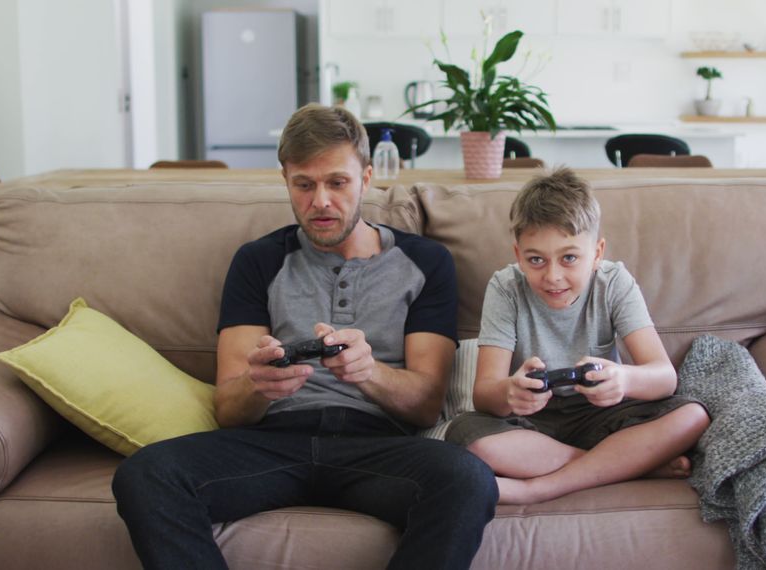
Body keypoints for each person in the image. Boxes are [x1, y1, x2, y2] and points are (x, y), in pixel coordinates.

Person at [112, 104, 498, 569]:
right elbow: (228, 409)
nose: (320, 202)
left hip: (376, 446)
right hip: (274, 441)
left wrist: (369, 372)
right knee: (146, 473)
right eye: (304, 184)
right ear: (285, 180)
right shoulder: (258, 261)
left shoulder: (425, 262)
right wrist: (257, 385)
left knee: (468, 479)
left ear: (367, 178)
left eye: (337, 183)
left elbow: (426, 403)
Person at [445, 167, 711, 505]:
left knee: (693, 416)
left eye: (569, 258)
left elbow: (663, 377)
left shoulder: (615, 283)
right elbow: (484, 394)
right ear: (518, 256)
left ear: (597, 253)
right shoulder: (505, 287)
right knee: (468, 437)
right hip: (531, 421)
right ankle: (627, 463)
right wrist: (510, 391)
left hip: (600, 414)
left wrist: (623, 379)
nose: (553, 276)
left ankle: (537, 488)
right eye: (536, 260)